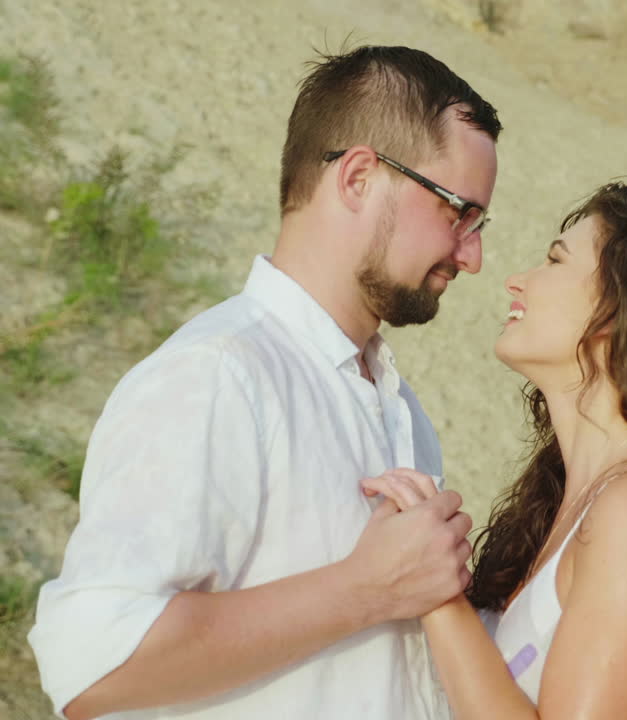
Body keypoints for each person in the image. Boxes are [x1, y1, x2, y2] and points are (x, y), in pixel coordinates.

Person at [27, 45, 500, 720]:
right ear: (360, 177)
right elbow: (91, 664)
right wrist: (365, 588)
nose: (472, 255)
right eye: (459, 212)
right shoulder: (218, 375)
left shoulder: (400, 410)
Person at [362, 182, 627, 719]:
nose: (516, 280)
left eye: (554, 261)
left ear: (620, 309)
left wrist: (436, 593)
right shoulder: (583, 496)